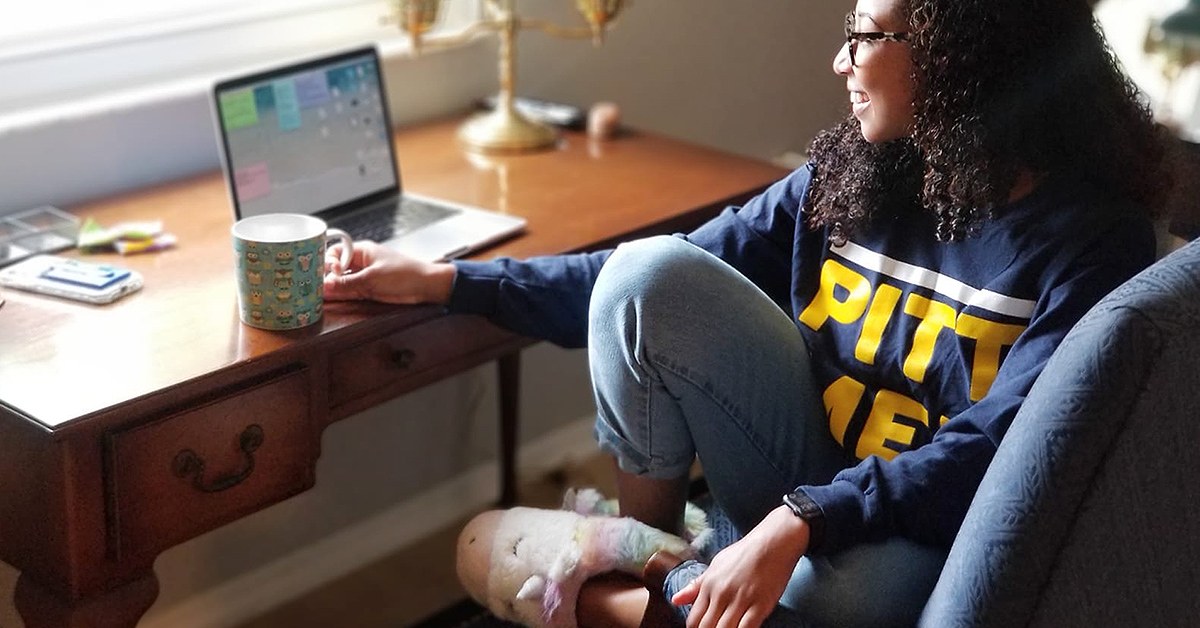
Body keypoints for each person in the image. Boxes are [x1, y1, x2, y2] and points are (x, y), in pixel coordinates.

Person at [324, 0, 1172, 626]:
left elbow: (1001, 448)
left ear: (966, 54)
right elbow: (644, 285)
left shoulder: (1093, 240)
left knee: (857, 595)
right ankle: (645, 552)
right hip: (796, 478)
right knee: (648, 273)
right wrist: (445, 282)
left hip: (910, 530)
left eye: (867, 34)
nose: (841, 61)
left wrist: (806, 519)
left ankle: (632, 599)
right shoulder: (856, 172)